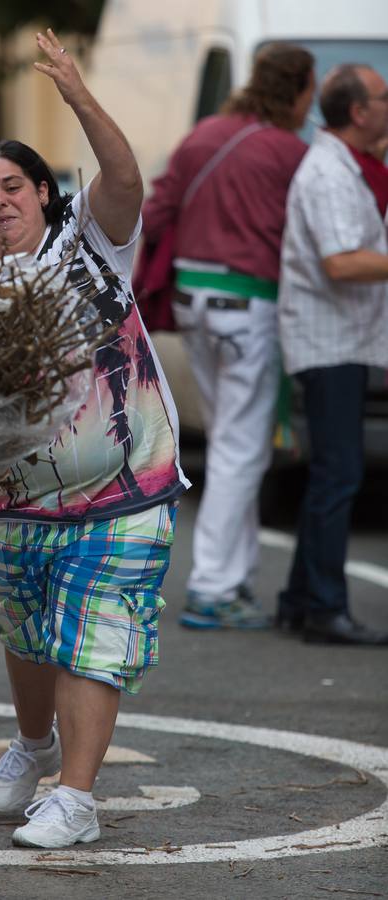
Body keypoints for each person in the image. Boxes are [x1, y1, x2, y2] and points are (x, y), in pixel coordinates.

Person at [0, 29, 188, 850]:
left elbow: (123, 177)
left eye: (15, 185)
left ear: (45, 193)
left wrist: (76, 91)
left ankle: (75, 797)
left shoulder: (95, 249)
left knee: (97, 631)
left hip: (124, 487)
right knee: (28, 632)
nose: (1, 200)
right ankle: (34, 744)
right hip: (15, 502)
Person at [141, 43, 315, 629]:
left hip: (192, 300)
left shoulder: (204, 136)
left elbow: (157, 209)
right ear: (297, 91)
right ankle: (213, 586)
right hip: (251, 305)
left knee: (230, 441)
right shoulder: (291, 152)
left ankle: (233, 580)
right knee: (242, 449)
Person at [277, 65, 388, 645]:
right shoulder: (326, 172)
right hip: (329, 339)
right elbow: (341, 262)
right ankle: (324, 607)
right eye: (383, 96)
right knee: (339, 474)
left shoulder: (353, 162)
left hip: (344, 335)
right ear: (359, 113)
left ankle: (300, 598)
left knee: (332, 474)